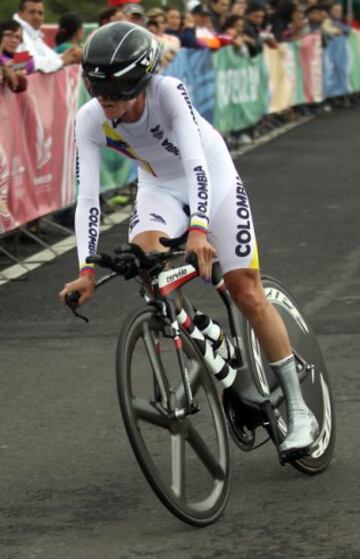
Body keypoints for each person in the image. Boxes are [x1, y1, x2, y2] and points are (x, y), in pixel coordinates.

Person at [59, 22, 319, 457]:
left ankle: (298, 408)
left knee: (246, 292)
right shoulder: (90, 118)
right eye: (99, 92)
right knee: (142, 262)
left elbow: (197, 164)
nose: (108, 104)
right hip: (159, 186)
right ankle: (203, 334)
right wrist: (85, 269)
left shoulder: (169, 92)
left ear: (142, 84)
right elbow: (87, 198)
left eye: (118, 94)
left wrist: (199, 228)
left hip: (210, 179)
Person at [14, 0, 82, 73]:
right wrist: (61, 61)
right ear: (20, 14)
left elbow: (47, 57)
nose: (36, 17)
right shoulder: (15, 33)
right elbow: (23, 63)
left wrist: (70, 56)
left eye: (40, 13)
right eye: (32, 12)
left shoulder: (34, 35)